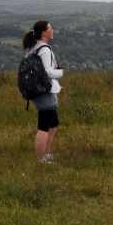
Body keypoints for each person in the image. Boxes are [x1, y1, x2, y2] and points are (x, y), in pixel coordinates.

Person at [22, 20, 64, 163]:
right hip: (45, 91)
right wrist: (60, 73)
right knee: (44, 126)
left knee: (53, 122)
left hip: (38, 90)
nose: (53, 31)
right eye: (51, 29)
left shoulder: (32, 48)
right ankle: (40, 159)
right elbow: (47, 73)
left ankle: (45, 153)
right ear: (44, 33)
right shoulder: (45, 49)